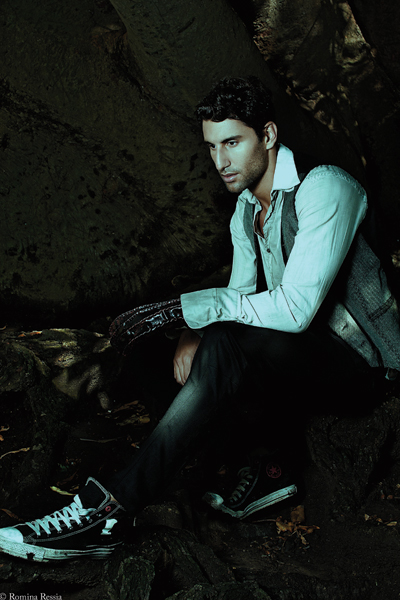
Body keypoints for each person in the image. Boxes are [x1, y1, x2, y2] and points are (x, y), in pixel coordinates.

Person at [0, 76, 399, 563]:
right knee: (154, 352)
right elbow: (239, 296)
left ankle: (111, 510)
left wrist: (187, 309)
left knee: (226, 343)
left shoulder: (325, 187)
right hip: (298, 359)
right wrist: (191, 329)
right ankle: (260, 468)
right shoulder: (246, 210)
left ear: (268, 135)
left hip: (364, 366)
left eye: (232, 143)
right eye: (212, 147)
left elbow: (295, 309)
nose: (220, 161)